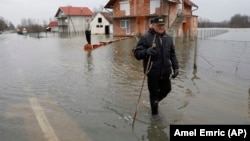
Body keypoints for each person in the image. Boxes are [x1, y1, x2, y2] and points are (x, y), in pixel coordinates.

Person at [133, 16, 179, 120]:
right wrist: (146, 52)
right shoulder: (146, 38)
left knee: (167, 89)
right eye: (159, 25)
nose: (161, 27)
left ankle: (154, 102)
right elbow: (136, 54)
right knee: (153, 93)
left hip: (166, 71)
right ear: (153, 25)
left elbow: (172, 55)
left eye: (163, 25)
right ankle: (154, 115)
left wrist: (176, 68)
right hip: (152, 72)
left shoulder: (169, 38)